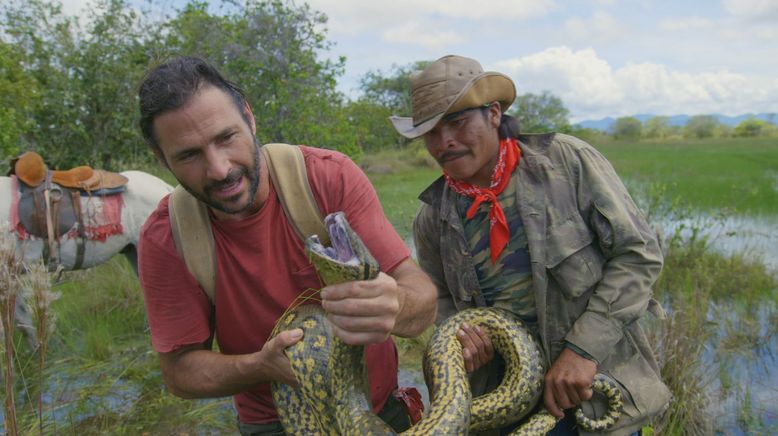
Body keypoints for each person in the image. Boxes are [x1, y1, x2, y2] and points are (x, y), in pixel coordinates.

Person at [136, 56, 438, 434]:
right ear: (161, 159)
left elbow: (421, 298)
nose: (219, 169)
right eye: (189, 155)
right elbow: (179, 372)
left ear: (249, 117)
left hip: (377, 407)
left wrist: (396, 306)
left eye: (226, 138)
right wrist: (261, 366)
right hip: (272, 423)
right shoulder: (167, 236)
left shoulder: (328, 178)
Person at [391, 55, 671, 435]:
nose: (444, 143)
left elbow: (638, 254)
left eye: (456, 123)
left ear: (493, 114)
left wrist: (582, 351)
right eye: (431, 132)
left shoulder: (567, 163)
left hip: (595, 389)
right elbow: (440, 301)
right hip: (503, 407)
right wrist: (459, 336)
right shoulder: (433, 219)